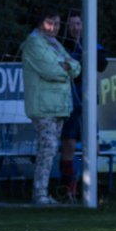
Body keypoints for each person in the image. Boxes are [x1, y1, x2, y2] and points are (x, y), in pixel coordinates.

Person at [20, 10, 81, 206]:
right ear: (40, 24)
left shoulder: (54, 43)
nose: (53, 27)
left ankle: (42, 192)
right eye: (49, 23)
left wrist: (66, 67)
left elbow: (76, 66)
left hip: (58, 106)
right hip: (43, 106)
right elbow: (50, 71)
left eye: (56, 24)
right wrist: (65, 68)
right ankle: (39, 194)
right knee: (47, 149)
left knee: (50, 150)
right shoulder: (34, 43)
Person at [58, 11, 108, 201]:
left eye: (78, 24)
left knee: (93, 145)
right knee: (69, 144)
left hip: (87, 99)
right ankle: (67, 187)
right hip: (69, 100)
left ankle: (87, 186)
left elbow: (102, 65)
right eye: (71, 24)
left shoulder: (91, 43)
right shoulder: (61, 46)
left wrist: (91, 51)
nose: (75, 28)